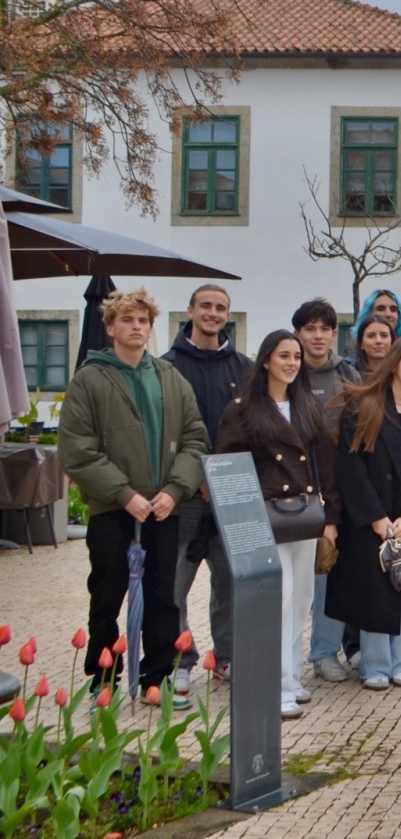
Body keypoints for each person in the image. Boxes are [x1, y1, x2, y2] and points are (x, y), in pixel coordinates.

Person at [58, 288, 208, 705]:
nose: (137, 327)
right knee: (106, 597)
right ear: (110, 328)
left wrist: (174, 491)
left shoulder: (170, 378)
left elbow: (196, 439)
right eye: (127, 320)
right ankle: (103, 680)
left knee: (163, 597)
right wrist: (124, 494)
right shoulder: (89, 379)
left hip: (163, 510)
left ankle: (157, 679)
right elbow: (76, 449)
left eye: (143, 321)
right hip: (112, 510)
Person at [216, 329, 342, 719]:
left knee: (301, 599)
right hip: (263, 517)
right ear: (267, 360)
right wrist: (242, 521)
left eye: (296, 357)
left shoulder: (306, 405)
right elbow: (229, 468)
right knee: (279, 600)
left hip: (304, 516)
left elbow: (325, 465)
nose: (291, 363)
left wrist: (330, 519)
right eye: (284, 355)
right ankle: (275, 686)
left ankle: (290, 677)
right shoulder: (242, 409)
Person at [327, 337, 401, 690]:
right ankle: (374, 664)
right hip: (369, 520)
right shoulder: (363, 406)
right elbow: (350, 468)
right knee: (375, 592)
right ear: (393, 364)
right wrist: (376, 517)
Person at [162, 283, 251, 691]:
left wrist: (226, 479)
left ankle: (227, 657)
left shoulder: (245, 369)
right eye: (206, 306)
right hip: (184, 495)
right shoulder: (166, 367)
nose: (213, 313)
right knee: (173, 584)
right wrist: (193, 478)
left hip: (231, 494)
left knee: (230, 582)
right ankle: (179, 659)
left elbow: (251, 429)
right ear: (190, 310)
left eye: (220, 307)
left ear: (227, 315)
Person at [292, 298, 362, 683]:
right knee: (293, 580)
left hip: (340, 488)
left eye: (324, 329)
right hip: (293, 487)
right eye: (310, 329)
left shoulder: (349, 376)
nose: (317, 336)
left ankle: (324, 651)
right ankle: (286, 657)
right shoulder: (287, 372)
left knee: (329, 571)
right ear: (298, 333)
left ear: (335, 334)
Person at [346, 313, 394, 377]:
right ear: (361, 343)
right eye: (371, 336)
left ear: (392, 341)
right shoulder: (347, 373)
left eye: (384, 335)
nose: (378, 341)